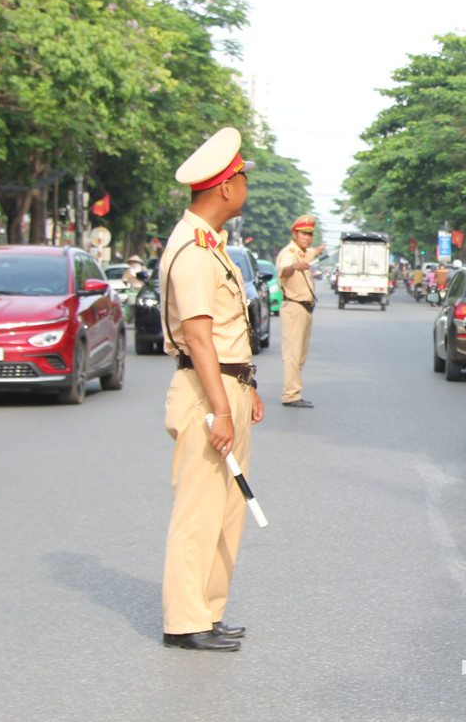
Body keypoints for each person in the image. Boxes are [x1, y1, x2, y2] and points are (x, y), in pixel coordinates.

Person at [159, 127, 264, 651]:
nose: (247, 186)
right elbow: (199, 338)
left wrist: (248, 387)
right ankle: (185, 622)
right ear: (225, 188)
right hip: (208, 394)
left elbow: (226, 333)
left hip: (228, 386)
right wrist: (222, 410)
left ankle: (208, 610)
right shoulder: (195, 250)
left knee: (227, 509)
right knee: (199, 510)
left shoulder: (212, 244)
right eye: (242, 178)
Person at [277, 215, 324, 409]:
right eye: (303, 233)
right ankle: (290, 394)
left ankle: (293, 391)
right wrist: (294, 267)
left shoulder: (303, 253)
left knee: (301, 354)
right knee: (293, 354)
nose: (307, 238)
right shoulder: (290, 254)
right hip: (294, 307)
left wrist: (320, 249)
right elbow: (284, 270)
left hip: (305, 309)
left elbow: (312, 252)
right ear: (294, 233)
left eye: (309, 234)